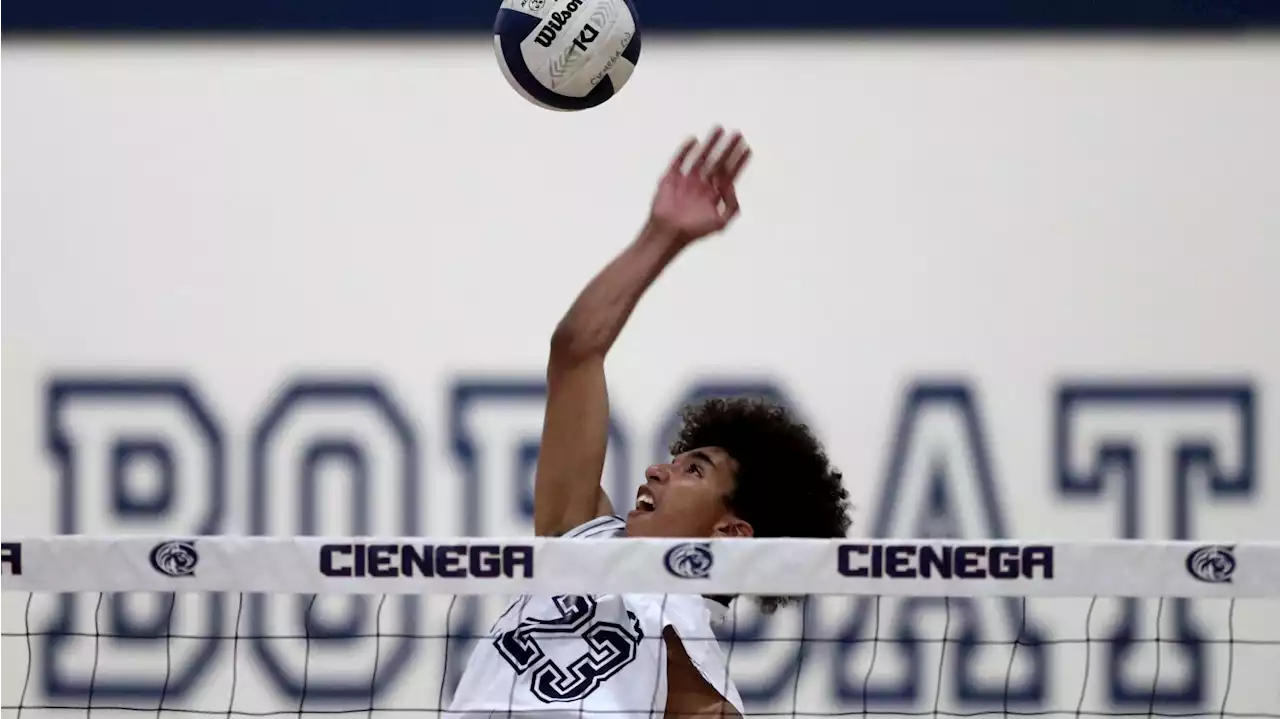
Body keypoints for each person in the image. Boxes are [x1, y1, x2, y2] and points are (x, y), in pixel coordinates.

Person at [445, 127, 851, 719]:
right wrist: (662, 237)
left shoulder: (702, 690)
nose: (658, 471)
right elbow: (576, 350)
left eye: (693, 470)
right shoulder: (577, 536)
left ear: (730, 533)